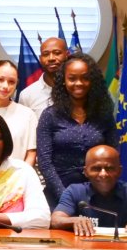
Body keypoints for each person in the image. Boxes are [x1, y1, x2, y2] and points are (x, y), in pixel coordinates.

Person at [35, 53, 118, 206]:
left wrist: (103, 192)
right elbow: (45, 163)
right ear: (64, 81)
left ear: (92, 81)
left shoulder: (104, 115)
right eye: (72, 78)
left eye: (85, 78)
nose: (78, 83)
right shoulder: (50, 115)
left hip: (99, 192)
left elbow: (113, 155)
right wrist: (65, 197)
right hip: (58, 193)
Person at [17, 37, 68, 116]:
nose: (51, 58)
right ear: (40, 59)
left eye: (57, 53)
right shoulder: (27, 95)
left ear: (67, 55)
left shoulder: (76, 89)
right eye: (46, 54)